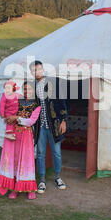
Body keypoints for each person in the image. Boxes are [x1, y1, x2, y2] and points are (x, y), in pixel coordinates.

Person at [0, 81, 41, 200]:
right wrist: (7, 117)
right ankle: (14, 188)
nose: (27, 91)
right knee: (14, 160)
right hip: (14, 134)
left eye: (29, 89)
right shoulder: (18, 100)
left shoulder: (37, 105)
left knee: (27, 161)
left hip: (26, 135)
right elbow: (9, 108)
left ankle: (30, 189)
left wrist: (16, 118)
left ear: (33, 91)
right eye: (25, 89)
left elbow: (31, 121)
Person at [30, 60, 68, 193]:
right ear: (32, 73)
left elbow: (61, 102)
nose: (37, 72)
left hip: (54, 125)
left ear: (43, 69)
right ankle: (42, 180)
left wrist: (63, 120)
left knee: (56, 153)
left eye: (39, 69)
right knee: (40, 153)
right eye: (34, 70)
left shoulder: (53, 83)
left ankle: (58, 177)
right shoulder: (32, 87)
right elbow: (30, 106)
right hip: (40, 126)